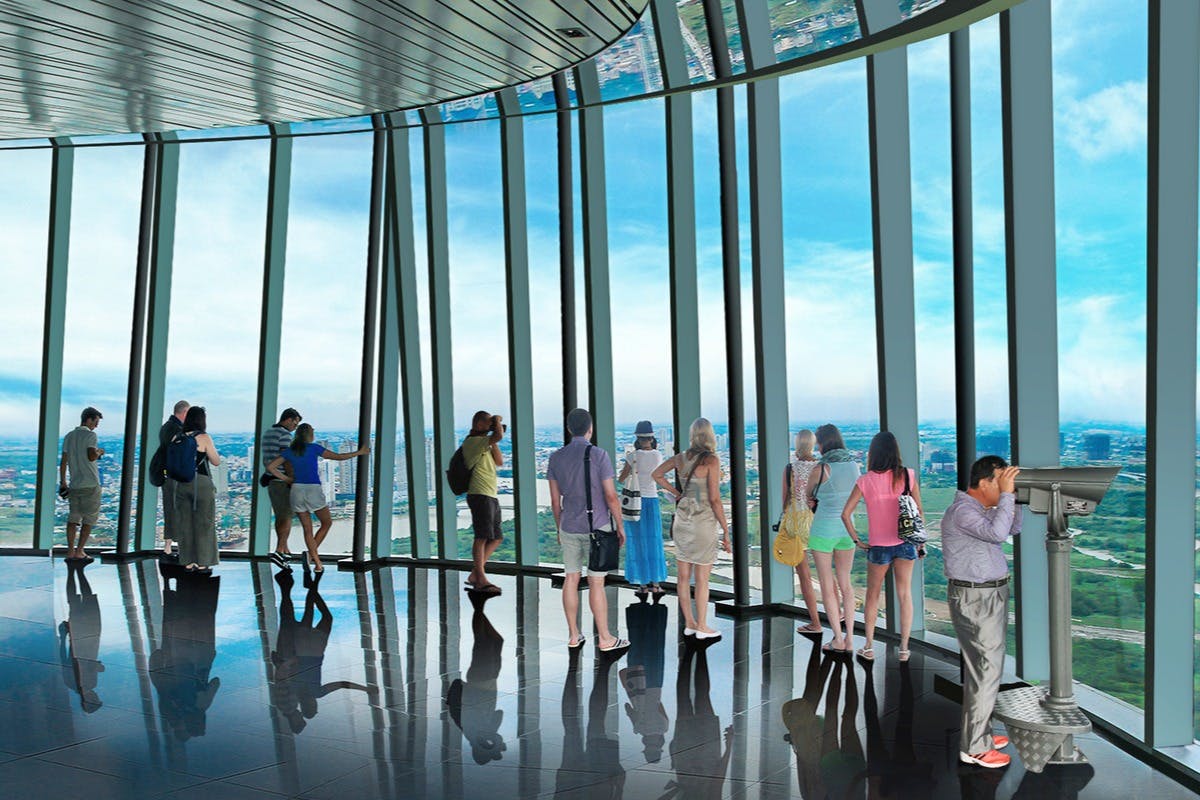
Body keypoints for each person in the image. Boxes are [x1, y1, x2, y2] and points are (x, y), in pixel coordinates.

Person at [942, 455, 1021, 769]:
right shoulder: (963, 512)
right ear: (986, 482)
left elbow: (1013, 527)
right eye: (1001, 482)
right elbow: (998, 535)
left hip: (989, 594)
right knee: (987, 671)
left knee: (985, 671)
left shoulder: (981, 510)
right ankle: (975, 748)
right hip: (976, 597)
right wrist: (1008, 496)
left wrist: (1015, 497)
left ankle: (980, 735)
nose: (1004, 488)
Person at [546, 408, 630, 655]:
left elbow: (555, 501)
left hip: (569, 526)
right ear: (590, 429)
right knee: (596, 582)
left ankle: (574, 635)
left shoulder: (555, 458)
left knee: (571, 579)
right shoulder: (599, 455)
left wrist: (559, 527)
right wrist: (620, 526)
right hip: (598, 527)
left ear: (569, 429)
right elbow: (611, 496)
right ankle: (605, 638)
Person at [841, 431, 923, 662]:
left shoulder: (865, 480)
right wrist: (920, 543)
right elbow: (919, 511)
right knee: (904, 595)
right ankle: (904, 649)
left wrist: (857, 540)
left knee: (873, 596)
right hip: (906, 543)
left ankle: (868, 647)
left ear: (873, 453)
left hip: (877, 546)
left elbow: (845, 514)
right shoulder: (907, 475)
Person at [652, 417, 730, 642]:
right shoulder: (711, 460)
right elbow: (714, 499)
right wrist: (725, 530)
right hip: (703, 521)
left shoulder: (680, 458)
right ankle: (702, 626)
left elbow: (656, 475)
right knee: (702, 579)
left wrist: (677, 493)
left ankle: (689, 623)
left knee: (683, 578)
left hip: (683, 521)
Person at [267, 423, 368, 574]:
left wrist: (287, 479)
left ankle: (317, 562)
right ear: (309, 434)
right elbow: (339, 457)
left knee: (307, 529)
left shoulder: (290, 451)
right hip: (312, 489)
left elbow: (271, 467)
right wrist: (359, 452)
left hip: (296, 490)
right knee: (326, 523)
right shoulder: (314, 448)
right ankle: (311, 558)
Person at [807, 424, 861, 653]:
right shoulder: (854, 465)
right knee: (846, 585)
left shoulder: (821, 469)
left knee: (827, 586)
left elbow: (808, 497)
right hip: (847, 529)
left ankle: (837, 639)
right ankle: (851, 639)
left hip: (823, 530)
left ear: (821, 443)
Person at [617, 420, 667, 597]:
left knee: (637, 541)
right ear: (652, 438)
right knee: (654, 540)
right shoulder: (658, 455)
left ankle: (642, 584)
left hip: (635, 503)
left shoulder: (632, 456)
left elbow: (621, 479)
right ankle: (656, 584)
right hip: (651, 501)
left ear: (637, 438)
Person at [784, 429, 823, 637]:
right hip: (818, 521)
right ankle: (839, 615)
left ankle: (815, 623)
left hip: (796, 523)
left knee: (805, 576)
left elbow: (785, 500)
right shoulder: (821, 467)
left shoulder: (790, 468)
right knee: (826, 572)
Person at [462, 411, 505, 593]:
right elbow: (498, 435)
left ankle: (476, 573)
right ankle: (480, 578)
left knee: (496, 537)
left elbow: (499, 461)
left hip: (490, 494)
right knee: (481, 536)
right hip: (479, 494)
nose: (492, 426)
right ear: (479, 424)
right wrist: (497, 422)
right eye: (489, 423)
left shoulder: (485, 443)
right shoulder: (473, 442)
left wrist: (492, 439)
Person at [175, 406, 221, 574]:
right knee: (204, 523)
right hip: (201, 483)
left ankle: (187, 562)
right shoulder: (203, 437)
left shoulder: (177, 437)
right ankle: (203, 562)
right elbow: (216, 461)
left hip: (181, 484)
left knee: (185, 523)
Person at [59, 407, 104, 562]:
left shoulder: (69, 436)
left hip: (75, 484)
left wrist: (63, 482)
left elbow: (64, 461)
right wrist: (99, 452)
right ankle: (79, 551)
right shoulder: (91, 435)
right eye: (95, 422)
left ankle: (70, 551)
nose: (96, 426)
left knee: (73, 518)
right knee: (89, 519)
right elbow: (91, 456)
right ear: (88, 419)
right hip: (90, 484)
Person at [58, 562, 103, 713]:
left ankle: (77, 571)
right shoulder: (76, 684)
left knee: (83, 601)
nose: (96, 696)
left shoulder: (79, 683)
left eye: (95, 699)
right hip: (83, 640)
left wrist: (63, 636)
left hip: (85, 639)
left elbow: (67, 659)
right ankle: (74, 571)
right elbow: (65, 659)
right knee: (76, 602)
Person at [261, 408, 302, 570]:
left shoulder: (268, 433)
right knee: (286, 516)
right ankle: (279, 550)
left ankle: (284, 549)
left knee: (281, 516)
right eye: (295, 423)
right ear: (288, 419)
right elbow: (287, 459)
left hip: (272, 480)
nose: (295, 427)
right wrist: (292, 479)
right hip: (282, 480)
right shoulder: (285, 435)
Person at [158, 400, 189, 561]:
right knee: (179, 509)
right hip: (175, 475)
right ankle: (177, 547)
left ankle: (168, 547)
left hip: (167, 474)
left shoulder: (166, 427)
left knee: (170, 509)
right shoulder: (176, 429)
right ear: (184, 413)